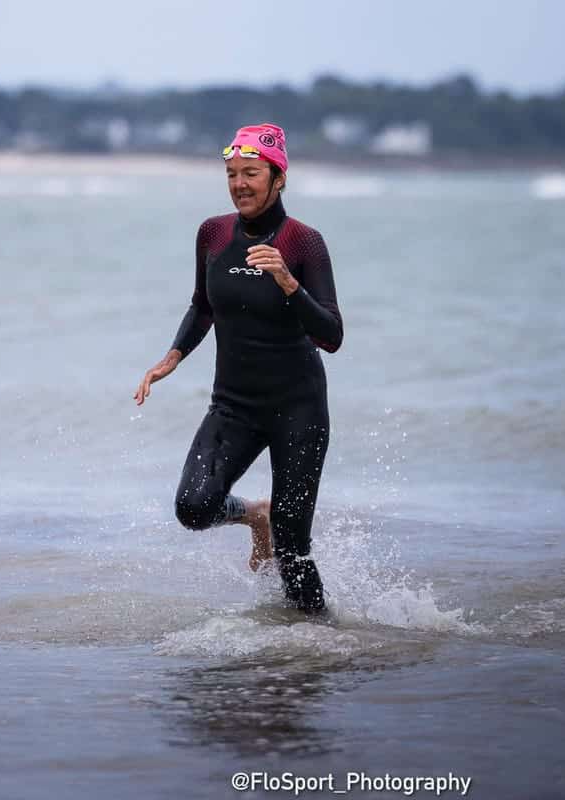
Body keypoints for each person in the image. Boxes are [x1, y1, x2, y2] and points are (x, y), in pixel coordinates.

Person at [134, 123, 343, 614]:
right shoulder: (213, 234)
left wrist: (289, 283)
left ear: (278, 177)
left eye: (251, 173)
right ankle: (255, 517)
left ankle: (316, 647)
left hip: (298, 407)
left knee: (293, 551)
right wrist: (172, 356)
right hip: (234, 406)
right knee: (193, 507)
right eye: (232, 174)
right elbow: (203, 306)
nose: (240, 184)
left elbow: (331, 336)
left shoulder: (303, 243)